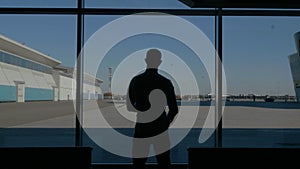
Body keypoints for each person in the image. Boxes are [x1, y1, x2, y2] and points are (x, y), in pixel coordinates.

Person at [126, 48, 178, 169]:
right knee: (164, 163)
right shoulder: (166, 82)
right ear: (160, 62)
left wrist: (142, 110)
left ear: (146, 60)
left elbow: (129, 106)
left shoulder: (135, 81)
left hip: (142, 128)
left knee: (138, 164)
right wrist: (165, 124)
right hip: (160, 129)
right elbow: (174, 109)